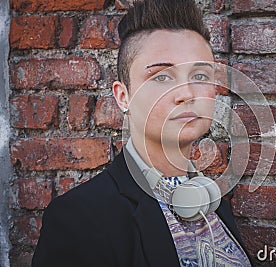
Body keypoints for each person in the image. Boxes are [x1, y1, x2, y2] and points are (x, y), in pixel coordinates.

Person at [32, 0, 253, 266]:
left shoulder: (212, 203)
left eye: (201, 76)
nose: (186, 94)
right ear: (123, 97)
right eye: (161, 76)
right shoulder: (78, 218)